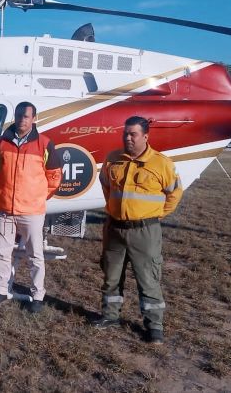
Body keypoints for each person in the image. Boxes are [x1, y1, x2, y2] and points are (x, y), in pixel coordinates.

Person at [92, 116, 183, 345]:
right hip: (114, 229)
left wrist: (154, 215)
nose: (128, 138)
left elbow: (174, 194)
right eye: (125, 133)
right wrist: (115, 210)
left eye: (133, 134)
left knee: (148, 280)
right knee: (111, 277)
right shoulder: (113, 159)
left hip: (145, 232)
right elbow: (106, 186)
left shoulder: (161, 163)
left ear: (145, 136)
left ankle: (154, 327)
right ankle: (110, 316)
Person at [0, 102, 61, 313]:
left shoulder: (44, 144)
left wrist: (37, 198)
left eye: (26, 116)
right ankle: (1, 290)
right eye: (18, 115)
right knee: (2, 252)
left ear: (34, 118)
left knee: (35, 255)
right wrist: (7, 194)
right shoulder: (2, 142)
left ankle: (37, 295)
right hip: (5, 209)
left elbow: (54, 177)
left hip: (32, 211)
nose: (22, 119)